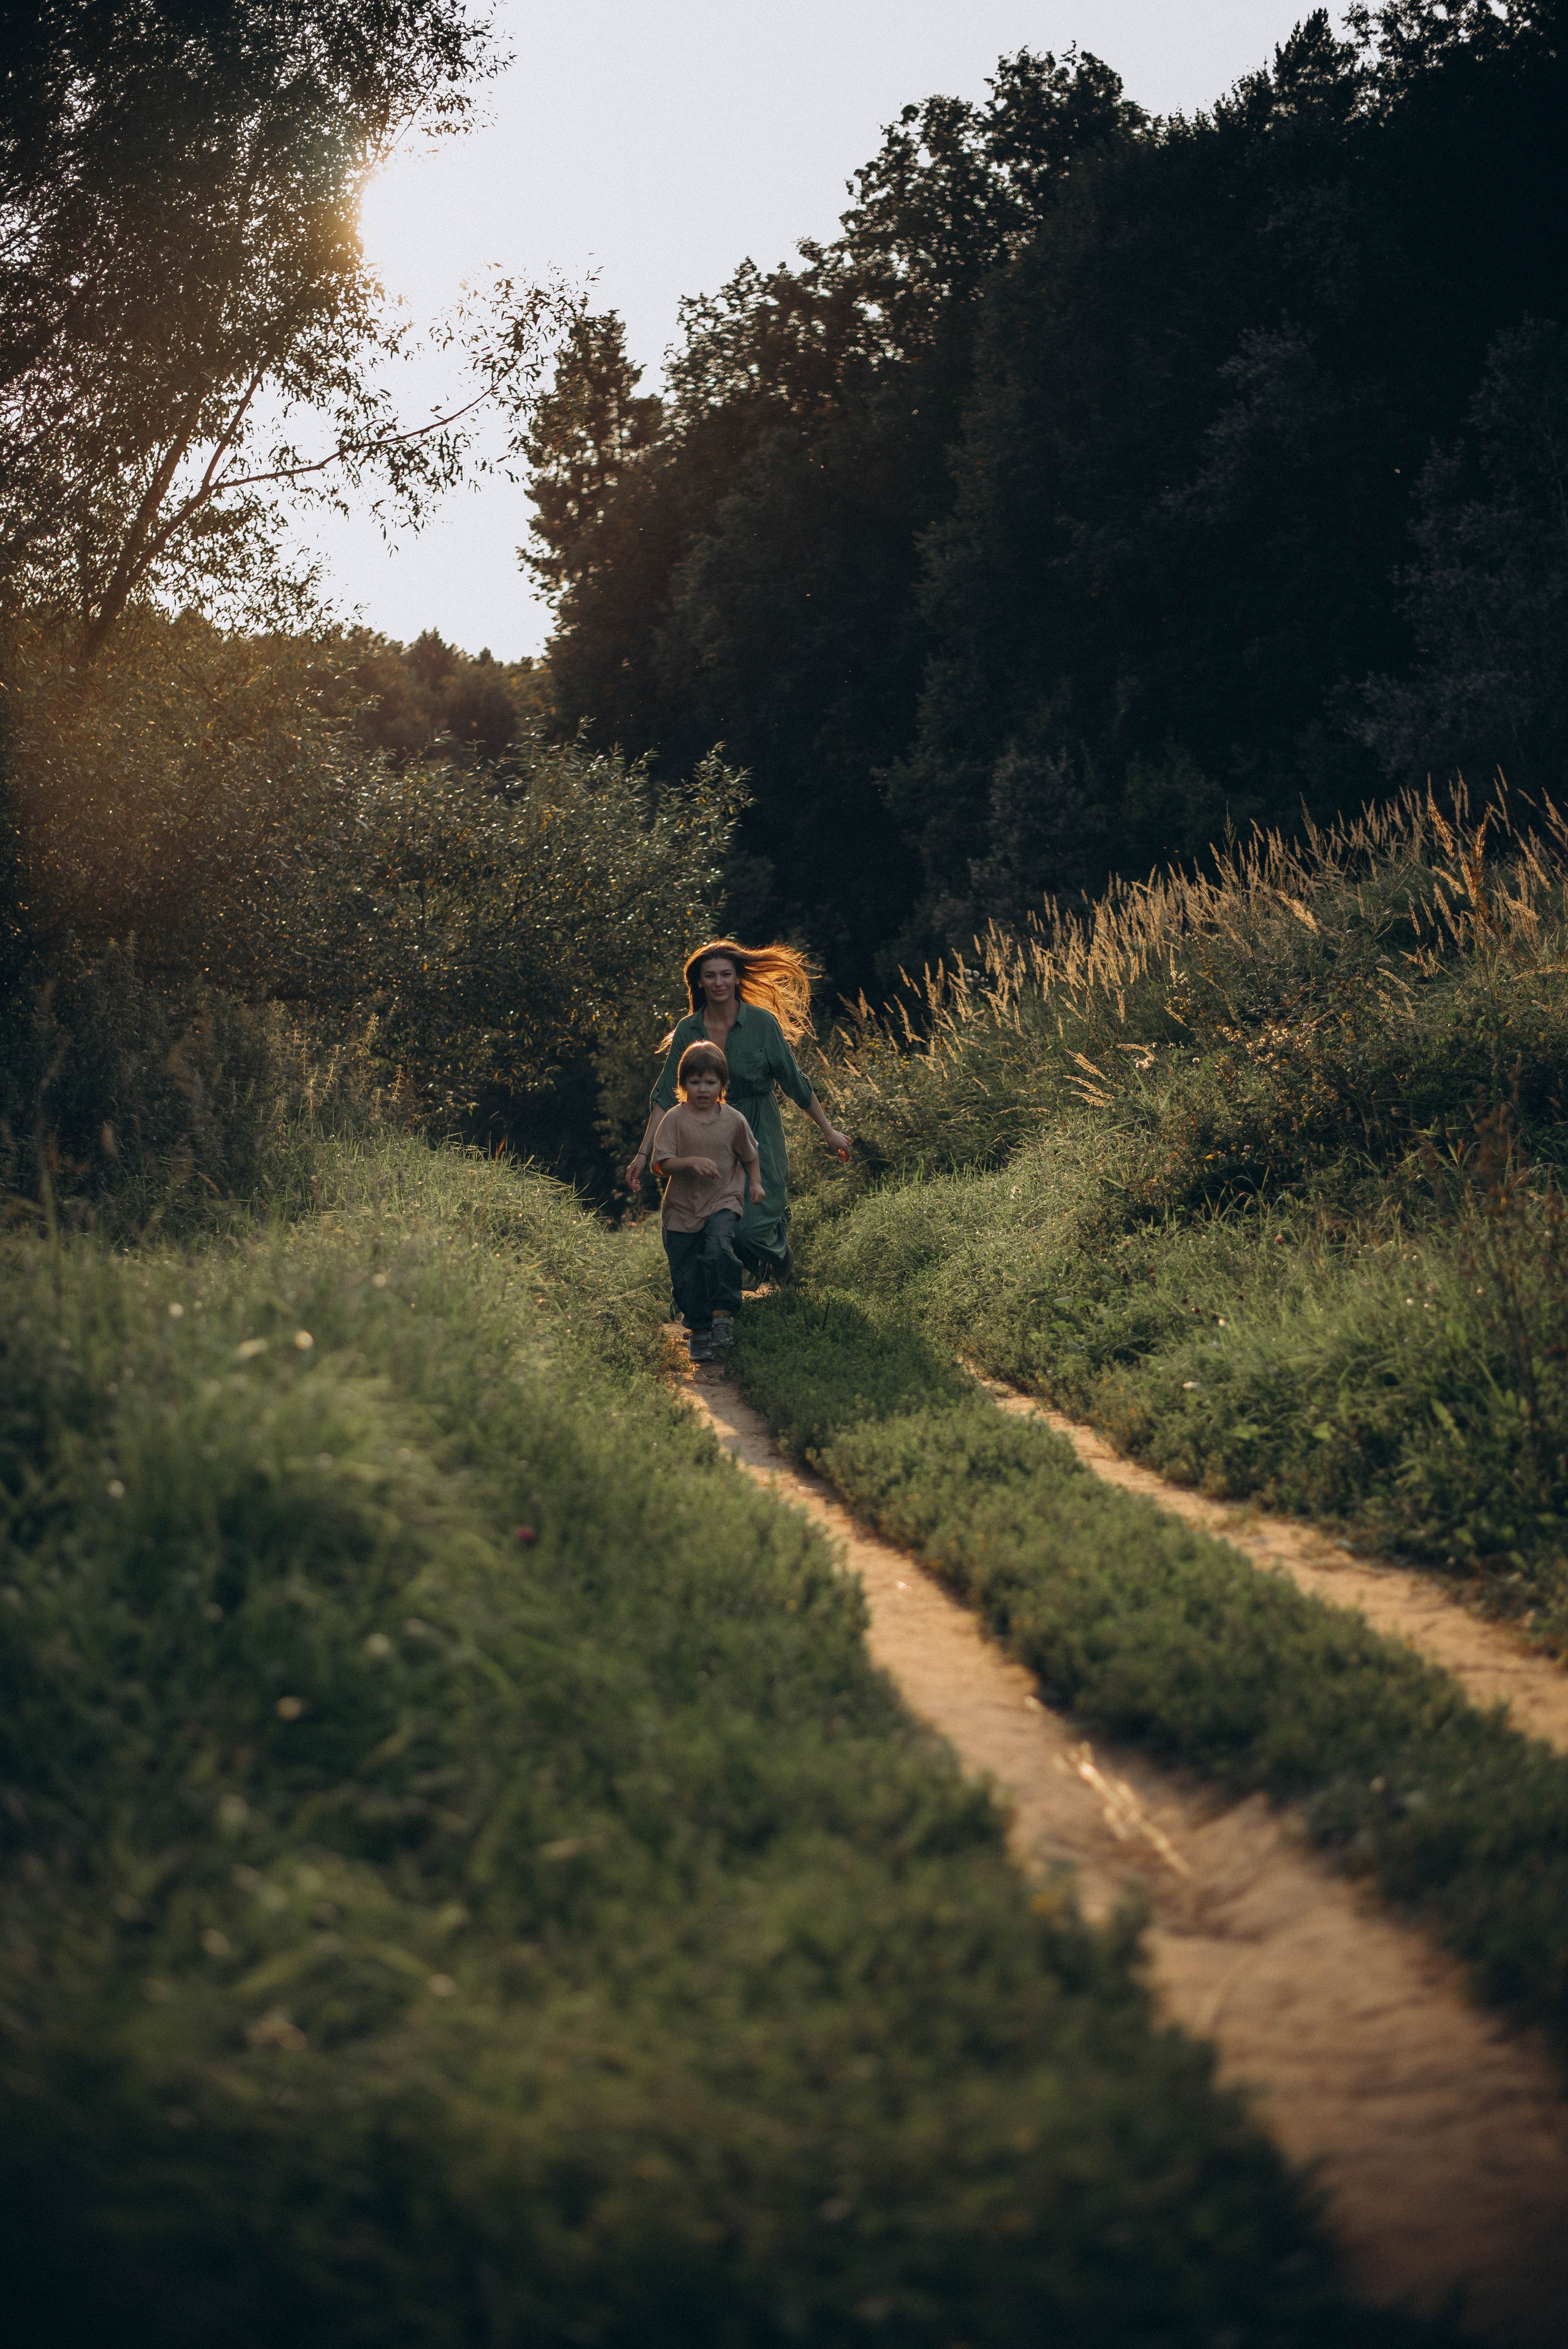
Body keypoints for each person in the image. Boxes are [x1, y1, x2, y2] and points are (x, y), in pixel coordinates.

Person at [627, 938, 850, 1284]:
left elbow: (795, 1082)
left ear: (737, 979)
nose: (718, 983)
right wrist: (644, 1154)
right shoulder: (689, 1030)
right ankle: (716, 1301)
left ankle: (777, 1254)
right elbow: (666, 1096)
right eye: (710, 976)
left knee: (753, 1225)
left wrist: (828, 1131)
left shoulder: (763, 1024)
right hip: (703, 1133)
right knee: (711, 1222)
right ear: (699, 982)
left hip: (759, 1128)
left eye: (725, 975)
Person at [650, 1039, 763, 1360]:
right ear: (683, 1083)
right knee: (685, 1272)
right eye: (695, 1082)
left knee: (717, 1248)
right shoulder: (674, 1119)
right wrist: (690, 1162)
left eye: (710, 1082)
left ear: (722, 1085)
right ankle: (699, 1329)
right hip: (681, 1208)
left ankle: (723, 1316)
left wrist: (755, 1184)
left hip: (723, 1199)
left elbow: (750, 1154)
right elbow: (659, 1165)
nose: (702, 1089)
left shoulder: (733, 1120)